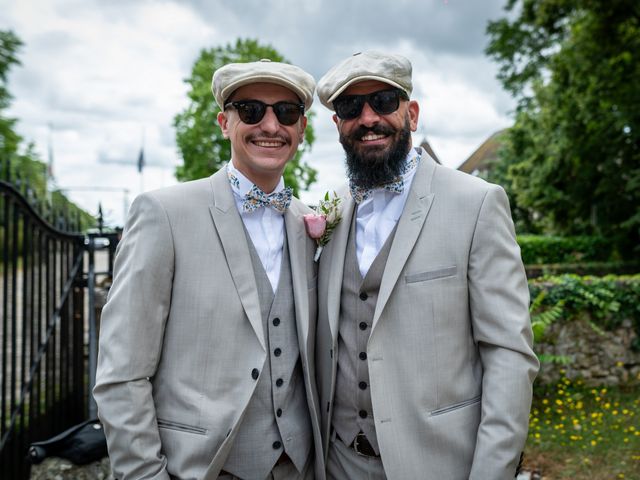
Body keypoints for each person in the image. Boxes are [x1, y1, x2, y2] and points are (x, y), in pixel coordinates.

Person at [94, 59, 325, 480]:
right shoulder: (164, 214)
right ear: (224, 122)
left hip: (300, 467)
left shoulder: (308, 224)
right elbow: (121, 374)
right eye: (251, 110)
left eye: (286, 112)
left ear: (302, 128)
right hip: (201, 467)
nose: (270, 125)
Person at [314, 51, 539, 479]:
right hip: (338, 463)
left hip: (439, 465)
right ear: (337, 125)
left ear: (411, 114)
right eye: (349, 107)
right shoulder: (330, 211)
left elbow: (509, 355)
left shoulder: (477, 203)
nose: (367, 118)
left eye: (382, 101)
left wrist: (492, 471)